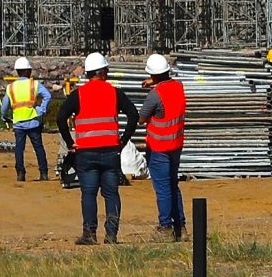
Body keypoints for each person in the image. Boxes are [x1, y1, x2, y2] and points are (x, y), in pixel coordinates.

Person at [56, 51, 138, 245]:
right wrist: (123, 140)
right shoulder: (114, 93)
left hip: (86, 152)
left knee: (89, 193)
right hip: (110, 152)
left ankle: (89, 234)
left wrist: (70, 143)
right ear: (103, 72)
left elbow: (60, 118)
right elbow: (133, 116)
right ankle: (111, 235)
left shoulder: (79, 95)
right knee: (111, 193)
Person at [140, 53, 187, 241]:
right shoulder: (178, 87)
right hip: (176, 145)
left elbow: (142, 118)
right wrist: (155, 82)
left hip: (158, 147)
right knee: (173, 185)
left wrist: (154, 86)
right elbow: (168, 84)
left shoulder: (154, 96)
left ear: (153, 75)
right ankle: (180, 228)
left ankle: (165, 227)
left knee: (162, 188)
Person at [7, 56, 52, 182]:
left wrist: (4, 116)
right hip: (33, 121)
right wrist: (41, 110)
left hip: (18, 123)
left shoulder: (11, 87)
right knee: (38, 148)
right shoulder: (34, 84)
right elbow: (47, 96)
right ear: (28, 71)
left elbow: (5, 106)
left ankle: (20, 173)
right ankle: (43, 173)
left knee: (19, 149)